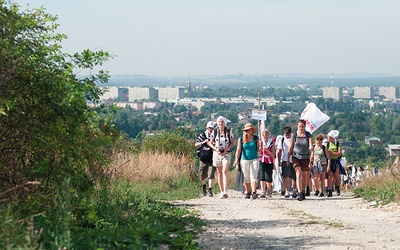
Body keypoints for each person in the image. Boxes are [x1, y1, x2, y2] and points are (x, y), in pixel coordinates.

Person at [208, 116, 235, 199]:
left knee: (225, 170)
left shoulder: (228, 131)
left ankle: (225, 190)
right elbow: (210, 143)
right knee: (219, 173)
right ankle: (222, 191)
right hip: (217, 153)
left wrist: (226, 148)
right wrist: (216, 149)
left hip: (226, 153)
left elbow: (232, 143)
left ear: (224, 122)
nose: (221, 123)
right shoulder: (215, 132)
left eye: (222, 121)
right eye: (219, 122)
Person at [287, 119, 313, 201]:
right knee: (298, 174)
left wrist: (312, 152)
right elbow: (291, 147)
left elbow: (311, 145)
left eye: (302, 126)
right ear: (297, 126)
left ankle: (303, 191)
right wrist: (288, 158)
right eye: (299, 126)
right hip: (296, 156)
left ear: (305, 126)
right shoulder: (294, 135)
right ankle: (299, 192)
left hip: (305, 157)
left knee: (305, 176)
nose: (301, 128)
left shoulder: (308, 135)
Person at [234, 123, 260, 199]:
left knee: (253, 175)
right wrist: (236, 159)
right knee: (246, 177)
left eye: (250, 130)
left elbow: (259, 149)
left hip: (254, 158)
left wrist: (260, 148)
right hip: (244, 159)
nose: (249, 131)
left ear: (252, 130)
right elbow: (238, 150)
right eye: (247, 130)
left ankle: (254, 192)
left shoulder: (256, 138)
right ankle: (248, 192)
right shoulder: (241, 139)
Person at [195, 121, 216, 197]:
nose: (210, 129)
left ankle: (210, 189)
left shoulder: (216, 135)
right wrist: (203, 142)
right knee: (202, 174)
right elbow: (196, 144)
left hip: (212, 157)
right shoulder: (202, 135)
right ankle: (204, 186)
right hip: (203, 158)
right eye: (209, 128)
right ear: (207, 128)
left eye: (212, 128)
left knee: (211, 174)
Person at [277, 126, 297, 198]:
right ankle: (286, 191)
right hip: (285, 159)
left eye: (288, 135)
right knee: (286, 176)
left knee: (295, 176)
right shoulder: (282, 139)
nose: (287, 136)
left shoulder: (294, 138)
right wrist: (279, 160)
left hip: (295, 158)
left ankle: (294, 189)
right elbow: (279, 150)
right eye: (286, 135)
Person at [258, 129, 275, 198]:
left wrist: (266, 150)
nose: (265, 138)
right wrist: (260, 148)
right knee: (262, 176)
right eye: (264, 136)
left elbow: (273, 154)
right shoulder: (261, 142)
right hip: (262, 160)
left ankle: (269, 189)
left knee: (269, 177)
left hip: (269, 161)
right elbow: (259, 151)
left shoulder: (272, 142)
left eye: (267, 136)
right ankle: (263, 191)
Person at [326, 130, 342, 197]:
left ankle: (337, 187)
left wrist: (331, 153)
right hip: (330, 161)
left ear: (333, 138)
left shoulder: (338, 144)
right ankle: (330, 190)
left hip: (336, 161)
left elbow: (339, 153)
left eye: (329, 138)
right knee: (330, 176)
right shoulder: (328, 144)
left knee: (336, 176)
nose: (328, 139)